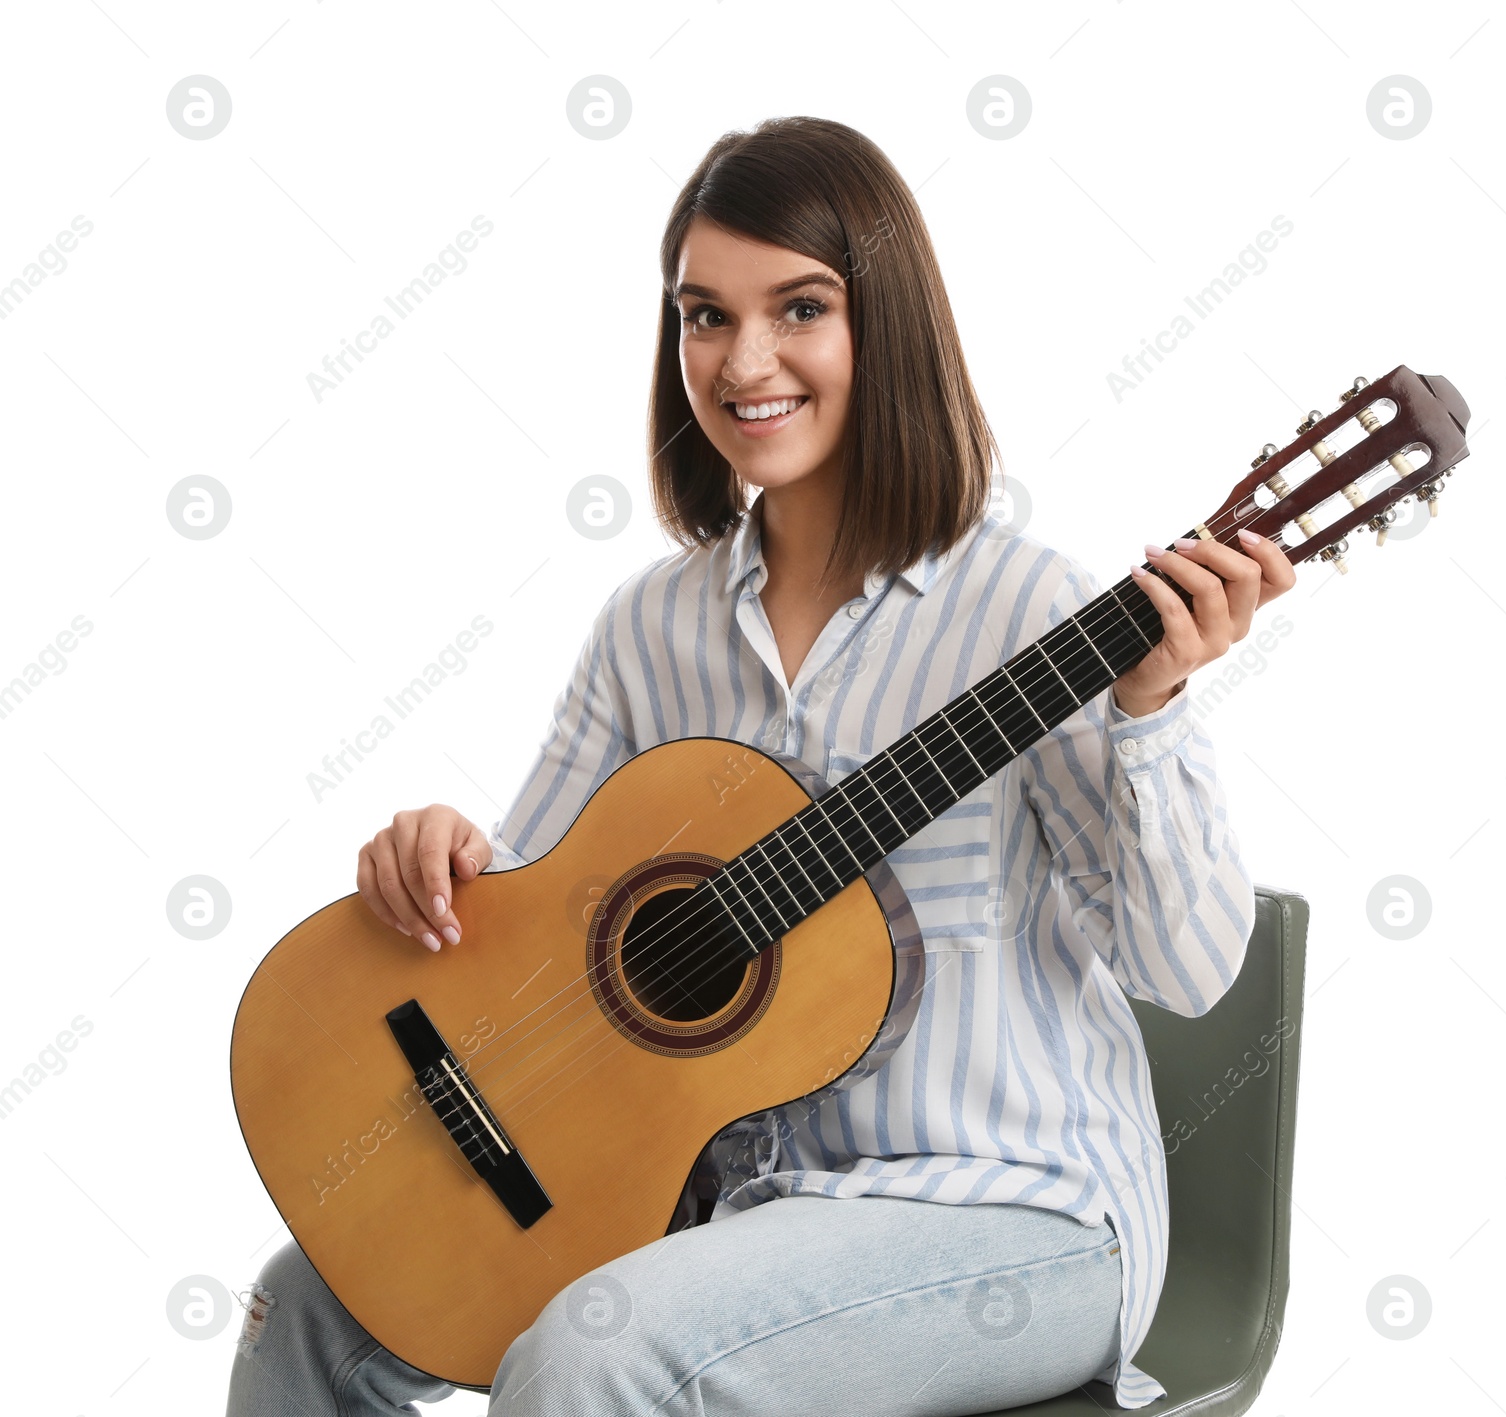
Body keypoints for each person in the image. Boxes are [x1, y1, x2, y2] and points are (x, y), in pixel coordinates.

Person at [225, 115, 1293, 1417]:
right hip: (724, 1209)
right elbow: (534, 920)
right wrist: (442, 862)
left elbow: (1188, 970)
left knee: (600, 1350)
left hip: (1011, 1208)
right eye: (702, 315)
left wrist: (1152, 710)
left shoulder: (1034, 614)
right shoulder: (652, 626)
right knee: (308, 1307)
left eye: (800, 308)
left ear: (882, 326)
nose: (744, 361)